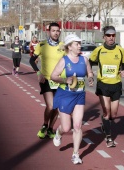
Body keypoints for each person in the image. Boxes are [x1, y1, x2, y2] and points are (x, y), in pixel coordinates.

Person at [51, 34, 94, 164]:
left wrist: (91, 78)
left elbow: (89, 72)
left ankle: (76, 154)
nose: (79, 46)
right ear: (69, 47)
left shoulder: (84, 59)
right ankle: (58, 132)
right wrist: (65, 79)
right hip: (65, 95)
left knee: (77, 125)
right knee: (66, 127)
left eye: (80, 43)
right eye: (76, 44)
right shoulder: (64, 60)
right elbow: (53, 75)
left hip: (79, 95)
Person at [89, 26, 124, 147]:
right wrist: (90, 75)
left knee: (114, 114)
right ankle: (109, 138)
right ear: (104, 37)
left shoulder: (120, 50)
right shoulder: (99, 50)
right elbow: (89, 62)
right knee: (106, 112)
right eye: (108, 35)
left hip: (116, 84)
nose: (111, 38)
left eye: (113, 35)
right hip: (103, 84)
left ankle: (104, 124)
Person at [30, 22, 65, 139]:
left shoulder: (63, 46)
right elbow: (31, 60)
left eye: (57, 31)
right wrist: (38, 73)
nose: (56, 33)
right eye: (53, 30)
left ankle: (50, 128)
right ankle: (45, 125)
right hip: (46, 80)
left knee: (56, 107)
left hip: (60, 80)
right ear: (49, 32)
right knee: (50, 106)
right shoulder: (42, 45)